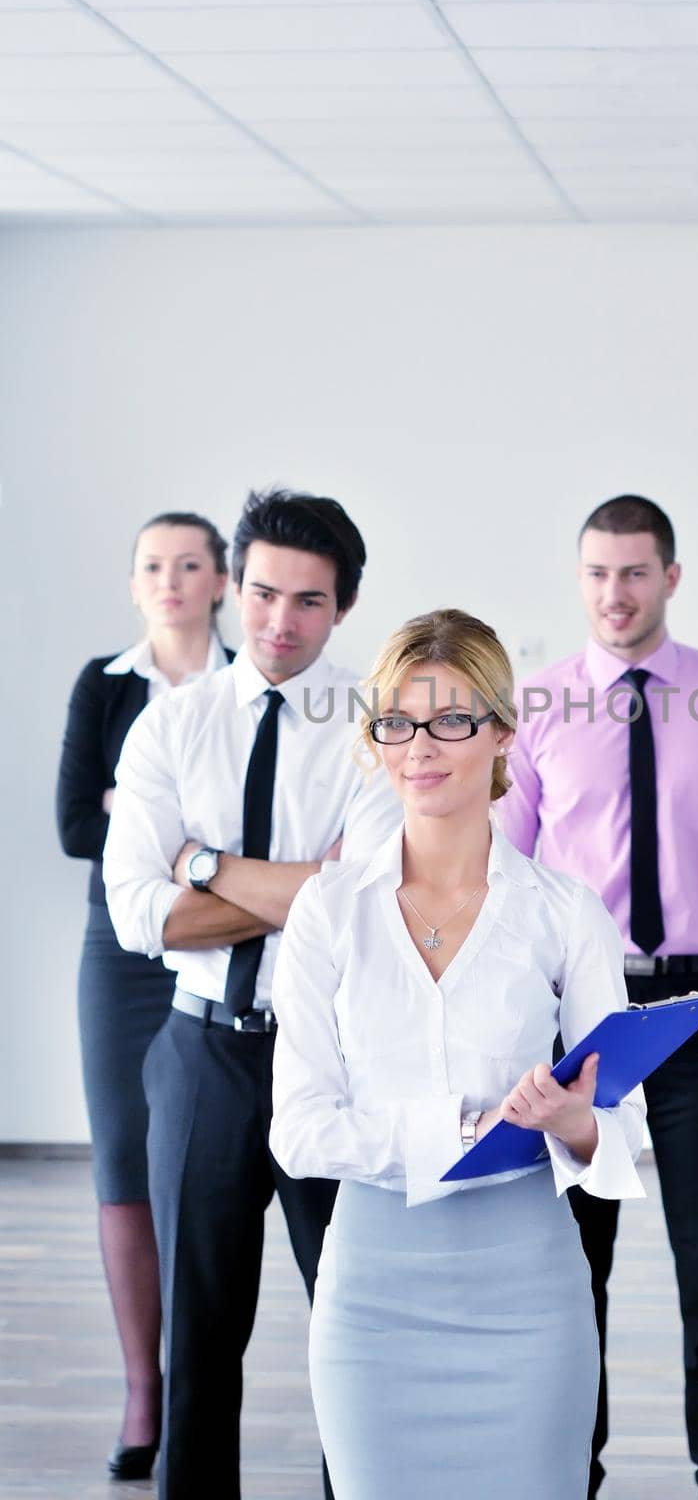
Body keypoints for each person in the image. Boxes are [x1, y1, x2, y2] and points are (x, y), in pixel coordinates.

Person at [269, 609, 647, 1500]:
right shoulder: (329, 912)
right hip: (370, 1298)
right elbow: (299, 1133)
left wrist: (575, 1123)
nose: (420, 747)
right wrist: (461, 1128)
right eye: (396, 723)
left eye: (450, 720)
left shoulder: (565, 910)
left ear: (502, 732)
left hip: (531, 1295)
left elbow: (625, 1130)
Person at [103, 488, 401, 1500]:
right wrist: (294, 883)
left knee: (346, 1331)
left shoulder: (378, 731)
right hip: (201, 1056)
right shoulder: (169, 728)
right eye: (265, 592)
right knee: (200, 1335)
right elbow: (140, 917)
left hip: (334, 1057)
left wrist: (203, 862)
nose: (279, 622)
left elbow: (362, 905)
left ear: (343, 607)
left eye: (308, 601)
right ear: (235, 585)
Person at [499, 494, 698, 1500]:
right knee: (574, 1260)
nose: (613, 593)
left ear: (670, 576)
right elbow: (508, 870)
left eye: (632, 572)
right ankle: (566, 1468)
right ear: (577, 579)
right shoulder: (534, 707)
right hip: (580, 1012)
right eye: (595, 573)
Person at [56, 509, 231, 1481]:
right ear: (134, 585)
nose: (170, 579)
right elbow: (78, 820)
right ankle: (142, 1391)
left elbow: (257, 820)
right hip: (121, 951)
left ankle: (201, 1379)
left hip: (229, 937)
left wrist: (150, 814)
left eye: (189, 564)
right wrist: (176, 828)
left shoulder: (248, 687)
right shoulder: (106, 685)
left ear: (220, 582)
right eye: (152, 566)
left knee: (203, 1164)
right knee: (123, 1159)